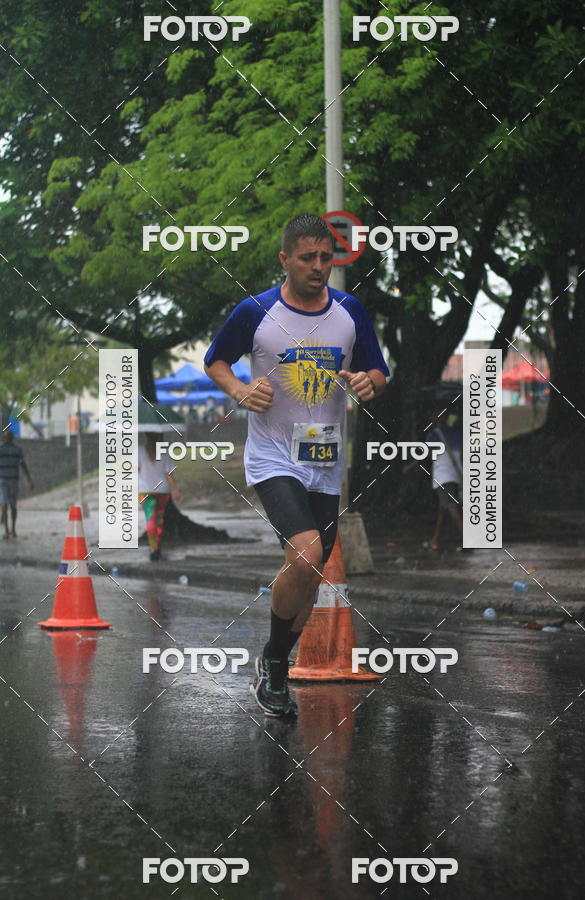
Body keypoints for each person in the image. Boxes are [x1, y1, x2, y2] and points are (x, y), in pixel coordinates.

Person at [204, 213, 389, 717]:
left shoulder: (351, 311)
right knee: (307, 555)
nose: (318, 266)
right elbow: (215, 359)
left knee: (309, 576)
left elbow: (377, 368)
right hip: (272, 456)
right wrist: (241, 390)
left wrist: (372, 382)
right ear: (285, 259)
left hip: (325, 462)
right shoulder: (255, 311)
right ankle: (274, 666)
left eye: (326, 257)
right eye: (307, 257)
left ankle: (274, 666)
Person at [405, 404, 463, 550]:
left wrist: (408, 467)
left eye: (433, 415)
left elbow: (422, 456)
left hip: (443, 476)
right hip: (456, 474)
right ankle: (435, 540)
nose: (431, 417)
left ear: (437, 418)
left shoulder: (433, 435)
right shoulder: (455, 433)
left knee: (451, 507)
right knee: (442, 510)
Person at [138, 434, 181, 561]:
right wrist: (174, 489)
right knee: (158, 520)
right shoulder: (164, 451)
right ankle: (156, 545)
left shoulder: (139, 450)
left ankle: (154, 548)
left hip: (144, 490)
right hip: (162, 491)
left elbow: (134, 470)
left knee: (150, 518)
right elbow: (169, 474)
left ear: (146, 437)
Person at [0, 429, 34, 539]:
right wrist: (29, 479)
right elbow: (23, 465)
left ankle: (7, 531)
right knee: (13, 505)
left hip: (3, 480)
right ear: (13, 438)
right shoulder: (17, 450)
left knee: (4, 505)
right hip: (14, 480)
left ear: (4, 438)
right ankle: (13, 530)